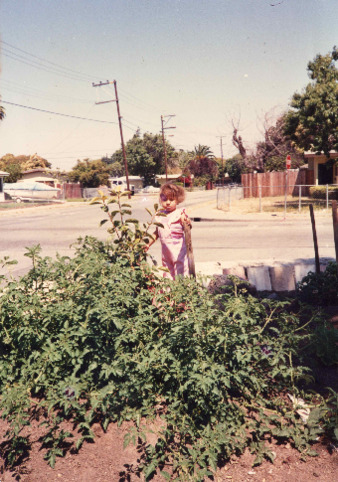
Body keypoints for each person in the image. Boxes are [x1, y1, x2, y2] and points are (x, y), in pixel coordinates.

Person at [146, 183, 191, 280]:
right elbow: (157, 232)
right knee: (168, 273)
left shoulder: (179, 213)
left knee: (181, 273)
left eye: (171, 200)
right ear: (160, 200)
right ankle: (169, 293)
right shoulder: (160, 215)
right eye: (165, 199)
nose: (168, 203)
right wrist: (148, 244)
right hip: (166, 254)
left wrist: (186, 221)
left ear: (177, 200)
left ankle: (183, 292)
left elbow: (187, 223)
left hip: (179, 253)